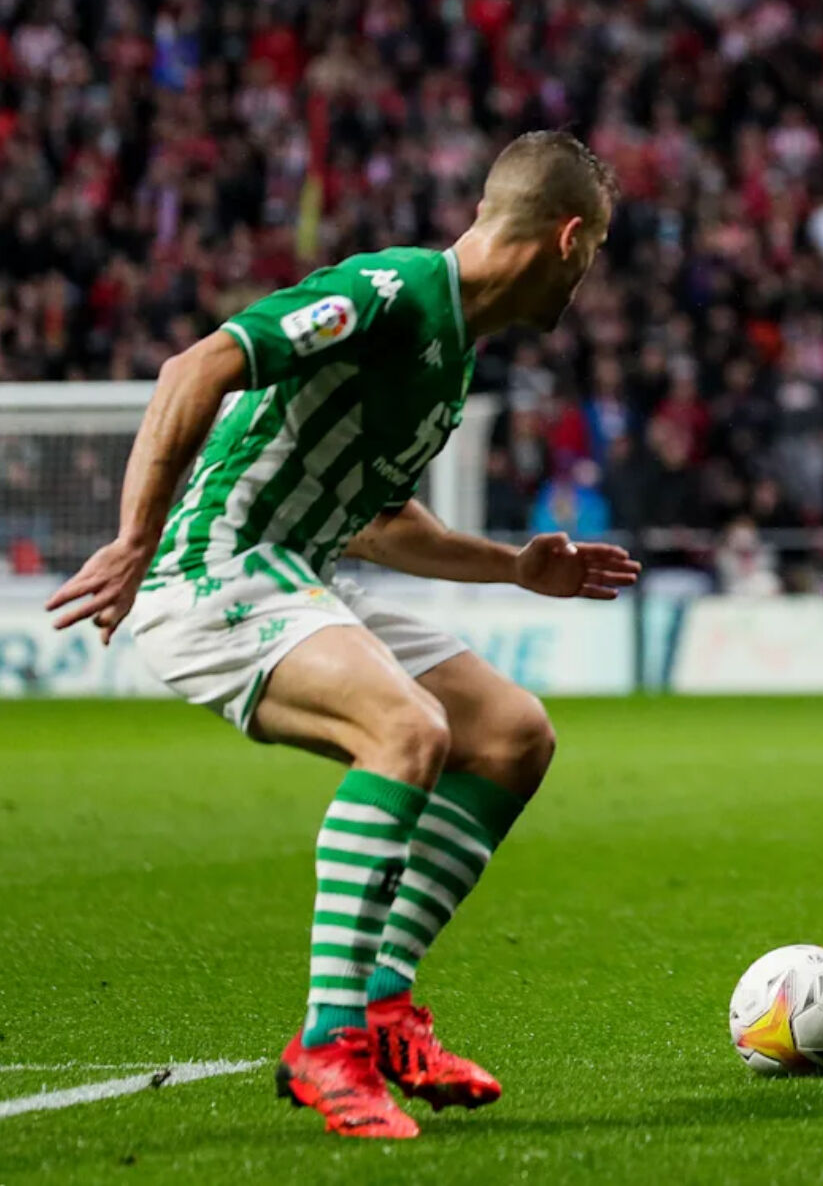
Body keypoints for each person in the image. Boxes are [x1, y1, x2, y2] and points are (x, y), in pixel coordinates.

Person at [46, 132, 642, 1139]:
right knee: (406, 730)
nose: (589, 278)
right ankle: (330, 1044)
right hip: (215, 570)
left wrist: (514, 567)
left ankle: (383, 1004)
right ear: (568, 237)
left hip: (297, 573)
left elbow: (378, 523)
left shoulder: (450, 356)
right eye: (595, 253)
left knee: (511, 734)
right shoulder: (391, 292)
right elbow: (199, 365)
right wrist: (137, 538)